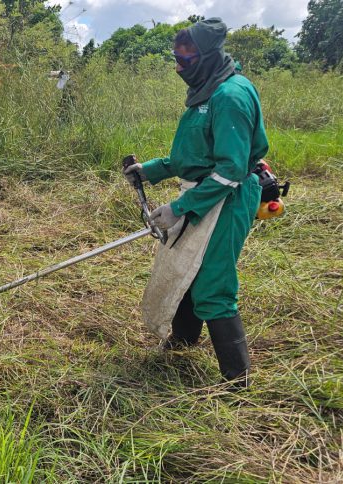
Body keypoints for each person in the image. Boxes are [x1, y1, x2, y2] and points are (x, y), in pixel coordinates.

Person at [123, 18, 268, 389]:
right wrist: (150, 170)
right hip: (206, 190)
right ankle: (181, 346)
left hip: (229, 198)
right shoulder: (207, 90)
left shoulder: (230, 96)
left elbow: (230, 170)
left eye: (185, 61)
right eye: (175, 58)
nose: (178, 67)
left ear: (206, 57)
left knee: (213, 284)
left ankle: (238, 382)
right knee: (188, 272)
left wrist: (181, 207)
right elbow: (193, 154)